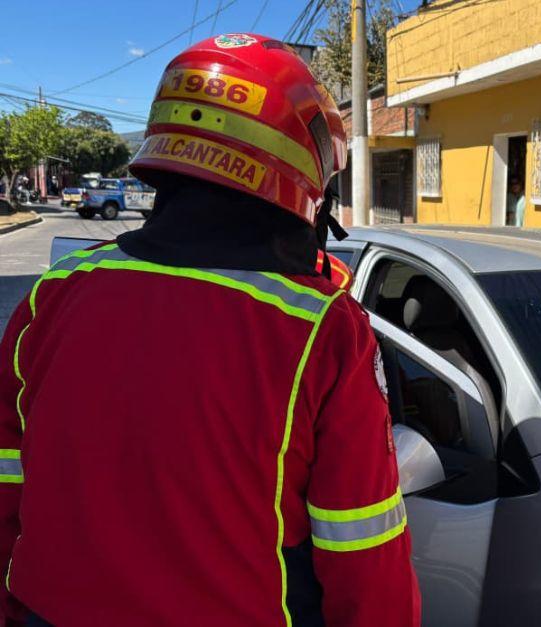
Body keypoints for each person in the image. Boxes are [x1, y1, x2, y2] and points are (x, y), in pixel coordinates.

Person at [0, 33, 419, 626]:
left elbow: (7, 484)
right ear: (305, 180)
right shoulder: (323, 330)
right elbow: (364, 554)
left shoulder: (54, 295)